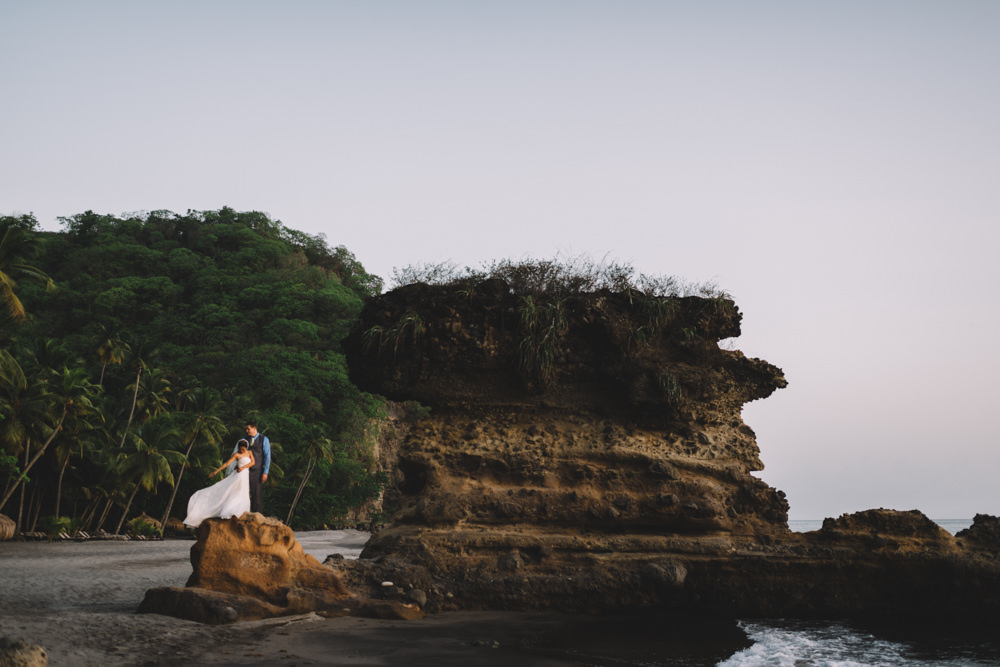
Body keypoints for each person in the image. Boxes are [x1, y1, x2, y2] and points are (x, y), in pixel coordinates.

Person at [183, 440, 255, 528]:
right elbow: (227, 463)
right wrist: (216, 471)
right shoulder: (236, 454)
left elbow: (252, 462)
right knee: (235, 491)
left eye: (243, 449)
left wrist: (243, 467)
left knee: (243, 492)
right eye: (240, 449)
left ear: (246, 448)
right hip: (238, 475)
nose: (242, 451)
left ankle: (241, 510)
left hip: (245, 474)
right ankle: (230, 510)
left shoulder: (249, 452)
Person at [244, 421, 271, 514]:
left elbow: (267, 456)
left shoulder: (264, 439)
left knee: (257, 496)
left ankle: (257, 518)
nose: (247, 431)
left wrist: (265, 472)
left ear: (254, 428)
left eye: (248, 429)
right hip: (245, 471)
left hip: (257, 471)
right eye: (246, 429)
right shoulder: (245, 439)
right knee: (243, 494)